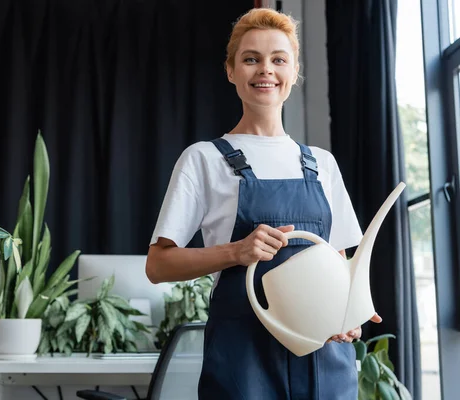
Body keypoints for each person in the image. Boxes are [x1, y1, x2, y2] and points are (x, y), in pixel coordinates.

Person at [146, 7, 382, 400]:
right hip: (243, 362)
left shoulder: (322, 163)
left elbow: (337, 261)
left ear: (294, 71)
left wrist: (349, 314)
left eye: (278, 59)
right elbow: (158, 265)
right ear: (231, 71)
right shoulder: (204, 159)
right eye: (250, 59)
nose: (265, 70)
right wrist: (237, 251)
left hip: (323, 355)